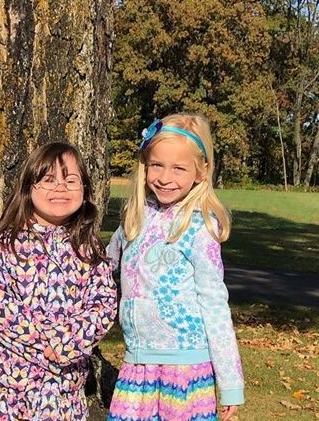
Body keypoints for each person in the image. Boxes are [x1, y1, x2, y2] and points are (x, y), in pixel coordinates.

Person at [0, 142, 117, 421]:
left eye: (71, 180)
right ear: (28, 188)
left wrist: (64, 341)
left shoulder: (89, 247)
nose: (60, 188)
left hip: (61, 389)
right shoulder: (6, 244)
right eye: (48, 180)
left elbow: (102, 304)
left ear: (84, 190)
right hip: (8, 383)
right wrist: (42, 346)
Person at [106, 114, 244, 421]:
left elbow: (214, 304)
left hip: (185, 368)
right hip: (137, 363)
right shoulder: (135, 217)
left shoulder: (200, 227)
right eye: (157, 165)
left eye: (179, 168)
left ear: (200, 172)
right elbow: (104, 266)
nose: (165, 178)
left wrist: (230, 383)